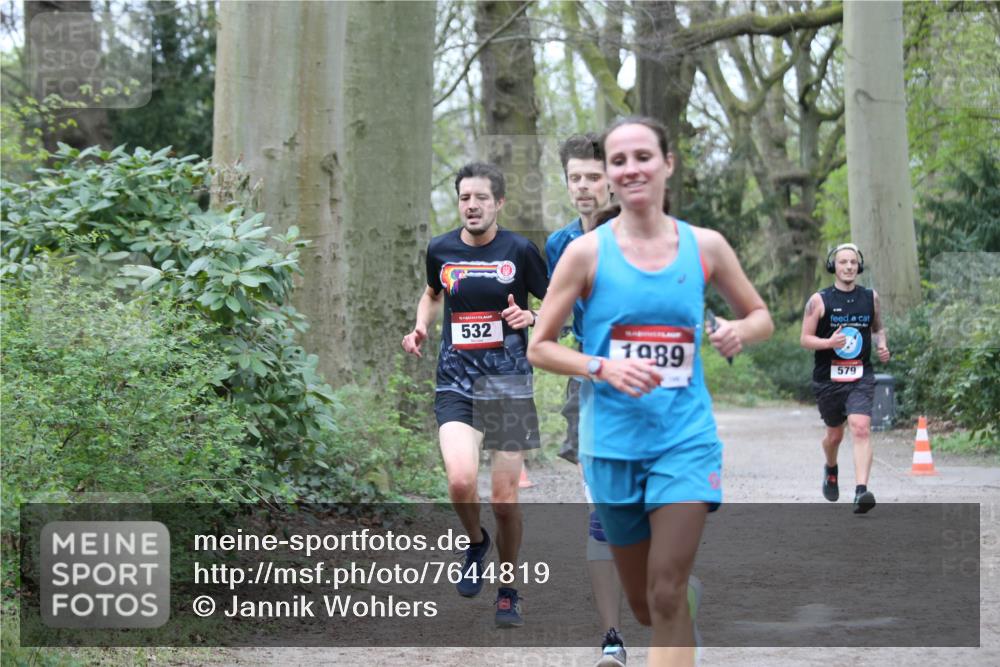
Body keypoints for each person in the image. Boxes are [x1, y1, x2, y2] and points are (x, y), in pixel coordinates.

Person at [528, 116, 773, 666]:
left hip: (684, 440)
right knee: (645, 605)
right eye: (619, 161)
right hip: (611, 444)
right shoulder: (584, 254)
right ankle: (680, 606)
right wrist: (601, 367)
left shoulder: (705, 246)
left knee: (663, 592)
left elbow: (760, 316)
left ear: (668, 164)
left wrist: (738, 330)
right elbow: (540, 347)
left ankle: (676, 604)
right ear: (610, 177)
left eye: (643, 156)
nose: (631, 168)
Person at [401, 162, 547, 628]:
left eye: (481, 197)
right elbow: (431, 293)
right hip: (456, 382)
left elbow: (555, 311)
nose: (472, 205)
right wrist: (422, 324)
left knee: (505, 500)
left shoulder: (521, 251)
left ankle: (508, 588)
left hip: (508, 384)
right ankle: (475, 540)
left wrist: (534, 320)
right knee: (461, 482)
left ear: (498, 203)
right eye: (465, 197)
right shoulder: (440, 249)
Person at [546, 133, 628, 666]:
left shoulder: (644, 236)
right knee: (600, 511)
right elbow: (550, 321)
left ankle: (664, 589)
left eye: (593, 177)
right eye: (576, 177)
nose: (584, 187)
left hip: (648, 390)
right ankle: (612, 638)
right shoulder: (558, 245)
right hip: (590, 385)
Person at [800, 242, 890, 514]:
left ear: (859, 266)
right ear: (833, 266)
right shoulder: (819, 300)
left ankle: (861, 492)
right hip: (828, 379)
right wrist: (829, 343)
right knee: (834, 436)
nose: (849, 267)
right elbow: (805, 339)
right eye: (843, 262)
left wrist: (882, 344)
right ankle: (831, 468)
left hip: (861, 375)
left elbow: (878, 328)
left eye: (853, 262)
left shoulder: (870, 297)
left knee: (860, 427)